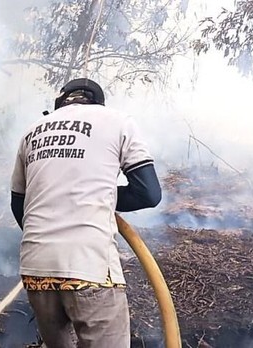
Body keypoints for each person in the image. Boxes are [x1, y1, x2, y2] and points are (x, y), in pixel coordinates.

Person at [10, 78, 162, 348]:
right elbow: (148, 193)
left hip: (36, 269)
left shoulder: (31, 132)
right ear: (98, 102)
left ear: (60, 104)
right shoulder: (117, 121)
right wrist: (94, 198)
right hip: (89, 266)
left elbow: (19, 204)